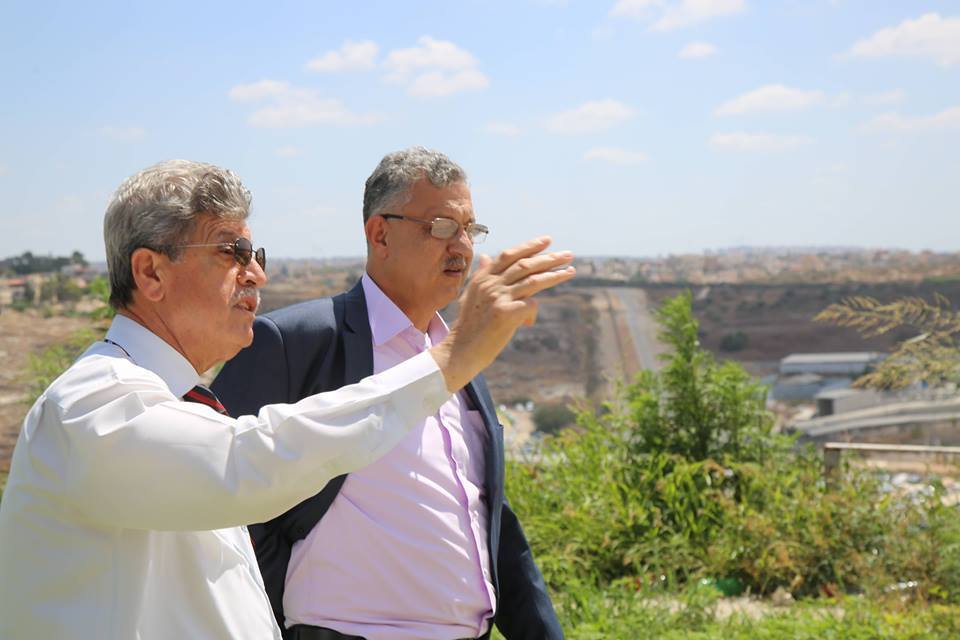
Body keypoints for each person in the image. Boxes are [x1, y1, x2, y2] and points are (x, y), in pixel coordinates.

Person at [0, 159, 574, 640]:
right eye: (232, 252)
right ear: (150, 273)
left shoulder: (178, 405)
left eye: (256, 255)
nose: (256, 275)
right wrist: (447, 363)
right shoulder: (91, 402)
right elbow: (247, 463)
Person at [214, 147, 565, 640]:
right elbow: (221, 494)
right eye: (442, 227)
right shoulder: (297, 343)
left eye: (470, 229)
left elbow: (488, 515)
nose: (462, 246)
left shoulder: (458, 355)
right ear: (380, 234)